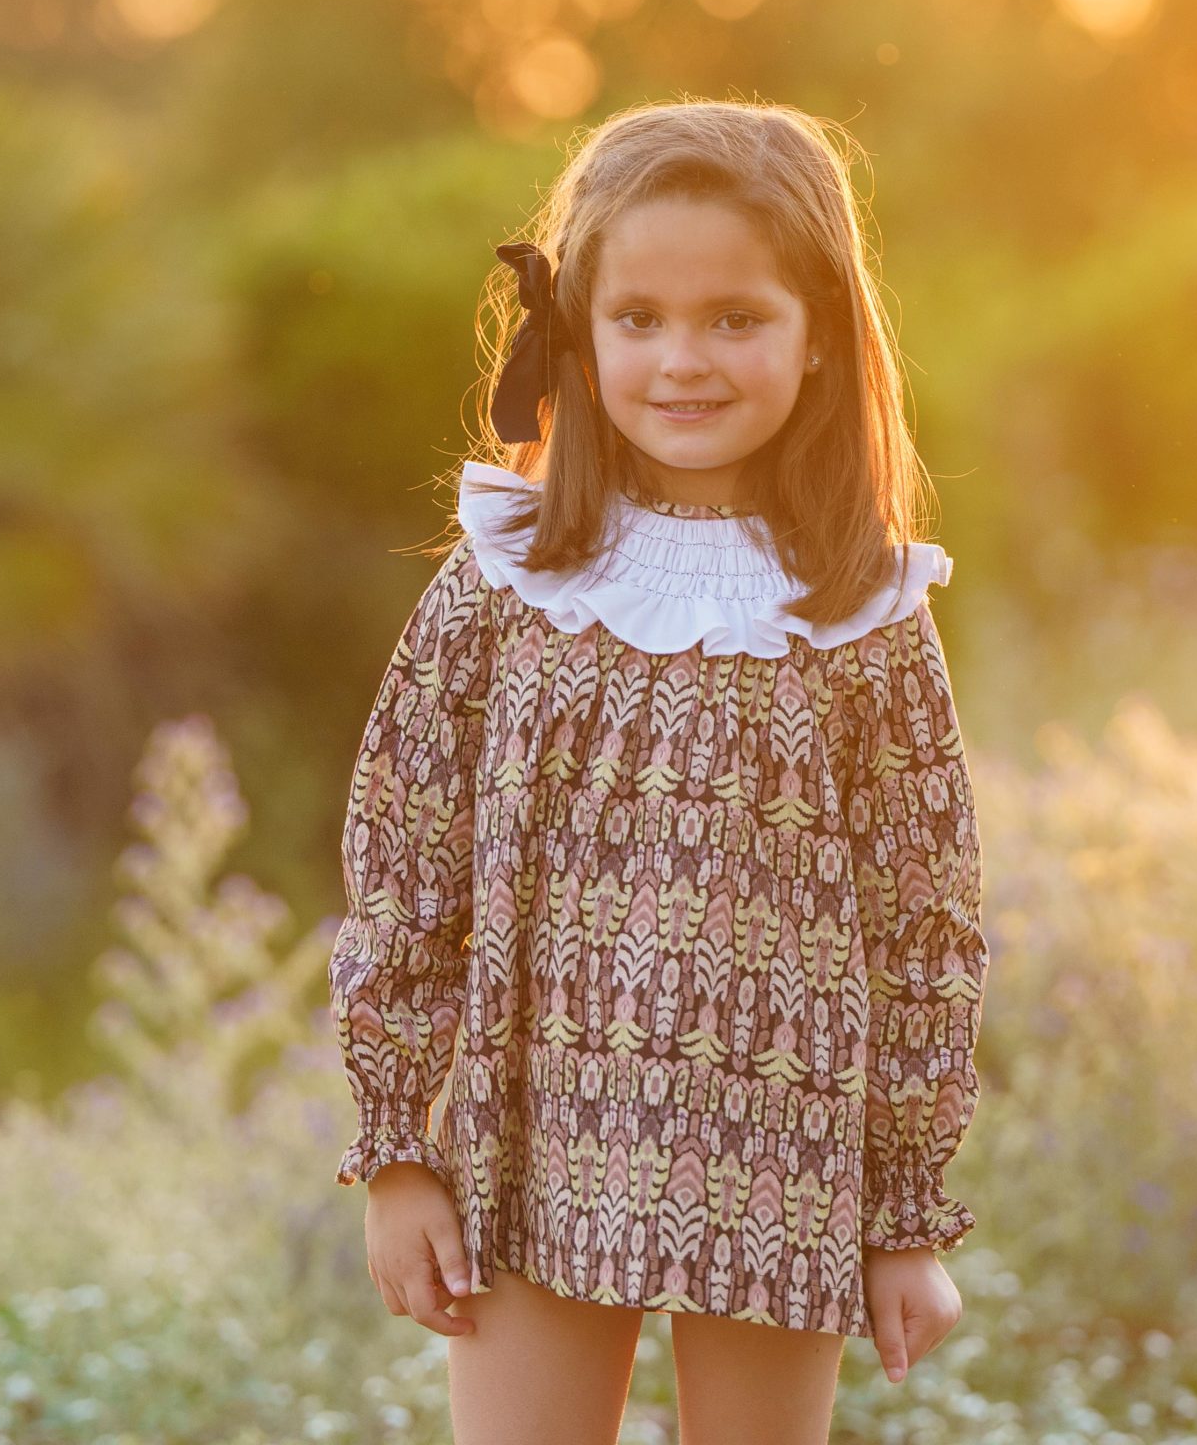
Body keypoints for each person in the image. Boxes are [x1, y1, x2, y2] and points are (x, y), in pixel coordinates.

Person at [328, 99, 988, 1445]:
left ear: (818, 341)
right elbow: (405, 861)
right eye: (639, 320)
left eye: (735, 319)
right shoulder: (506, 583)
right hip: (533, 1152)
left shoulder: (865, 616)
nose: (684, 360)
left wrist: (905, 1216)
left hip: (781, 1161)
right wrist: (399, 1152)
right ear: (579, 331)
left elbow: (926, 927)